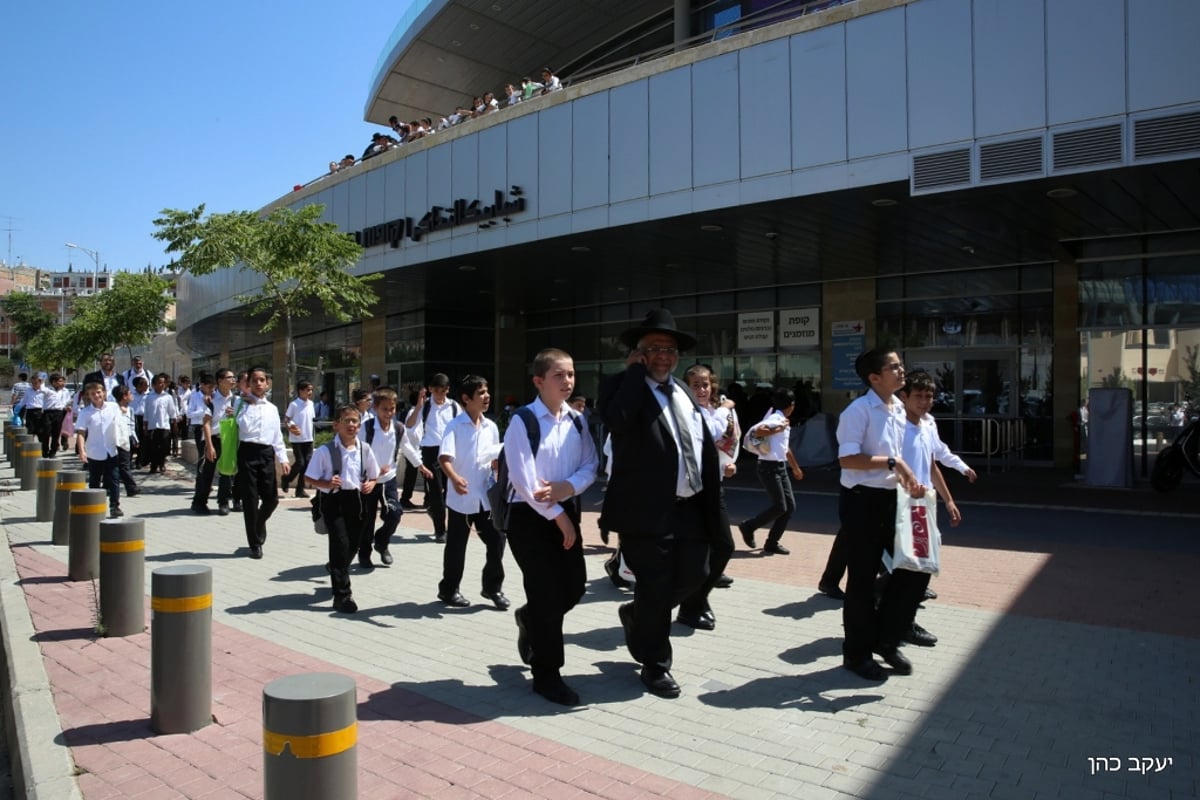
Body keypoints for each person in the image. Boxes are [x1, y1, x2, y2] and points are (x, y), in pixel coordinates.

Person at [599, 309, 721, 699]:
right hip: (645, 511)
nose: (663, 356)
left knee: (696, 574)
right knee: (655, 586)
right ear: (639, 353)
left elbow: (699, 447)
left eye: (669, 349)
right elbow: (617, 421)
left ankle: (637, 616)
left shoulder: (684, 392)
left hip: (689, 506)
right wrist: (634, 375)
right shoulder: (619, 386)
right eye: (653, 349)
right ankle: (655, 665)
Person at [505, 349, 598, 706]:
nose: (568, 381)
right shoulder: (523, 421)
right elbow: (523, 479)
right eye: (559, 375)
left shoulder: (576, 420)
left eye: (571, 374)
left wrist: (567, 489)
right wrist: (556, 512)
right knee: (545, 595)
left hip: (565, 511)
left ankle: (528, 619)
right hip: (530, 517)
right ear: (539, 381)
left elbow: (591, 464)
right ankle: (547, 675)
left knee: (573, 588)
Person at [835, 349, 925, 681]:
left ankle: (886, 637)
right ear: (874, 378)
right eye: (894, 367)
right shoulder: (858, 411)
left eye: (901, 364)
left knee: (915, 566)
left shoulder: (898, 407)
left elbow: (902, 456)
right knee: (861, 580)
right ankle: (856, 654)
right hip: (861, 502)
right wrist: (892, 463)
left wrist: (909, 479)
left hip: (892, 499)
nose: (902, 370)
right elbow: (847, 460)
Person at [675, 364, 739, 630]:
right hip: (692, 492)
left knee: (724, 546)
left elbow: (723, 443)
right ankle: (691, 604)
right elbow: (710, 432)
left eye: (705, 384)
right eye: (695, 385)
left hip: (714, 487)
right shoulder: (688, 411)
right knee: (698, 554)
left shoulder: (714, 410)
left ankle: (696, 600)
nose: (701, 390)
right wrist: (725, 409)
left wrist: (727, 462)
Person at [437, 375, 507, 609]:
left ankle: (492, 588)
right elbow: (445, 458)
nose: (487, 397)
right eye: (481, 393)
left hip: (486, 497)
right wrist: (455, 479)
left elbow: (493, 458)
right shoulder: (455, 426)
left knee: (497, 540)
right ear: (466, 399)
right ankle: (448, 590)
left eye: (487, 392)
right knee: (457, 546)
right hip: (462, 498)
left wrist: (499, 470)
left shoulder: (491, 426)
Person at [305, 404, 379, 614]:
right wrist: (327, 484)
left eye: (355, 421)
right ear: (336, 425)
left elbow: (374, 475)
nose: (351, 425)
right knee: (339, 543)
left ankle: (337, 567)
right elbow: (309, 477)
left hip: (357, 501)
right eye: (346, 421)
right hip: (334, 501)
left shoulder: (364, 449)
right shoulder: (325, 451)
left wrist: (371, 484)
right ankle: (342, 596)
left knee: (353, 544)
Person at [737, 388, 805, 555]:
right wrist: (777, 429)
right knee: (780, 506)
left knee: (789, 507)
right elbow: (758, 431)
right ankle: (749, 526)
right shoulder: (776, 419)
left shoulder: (782, 420)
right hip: (768, 468)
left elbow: (785, 448)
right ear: (792, 405)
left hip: (779, 467)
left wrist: (795, 467)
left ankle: (772, 543)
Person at [235, 367, 291, 559]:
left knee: (271, 499)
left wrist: (283, 459)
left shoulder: (272, 408)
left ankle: (258, 524)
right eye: (254, 380)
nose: (258, 384)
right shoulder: (241, 404)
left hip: (266, 454)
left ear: (267, 384)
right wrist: (250, 405)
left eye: (262, 380)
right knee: (250, 500)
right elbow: (244, 427)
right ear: (248, 384)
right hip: (247, 452)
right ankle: (255, 543)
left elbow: (277, 436)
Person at [359, 387, 412, 566]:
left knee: (395, 513)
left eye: (392, 409)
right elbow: (358, 452)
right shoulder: (366, 428)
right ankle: (364, 554)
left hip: (388, 479)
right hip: (368, 480)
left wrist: (422, 466)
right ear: (375, 408)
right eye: (385, 409)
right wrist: (371, 470)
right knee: (367, 519)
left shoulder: (398, 428)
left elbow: (408, 448)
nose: (389, 413)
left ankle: (382, 541)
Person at [405, 373, 461, 543]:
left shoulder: (453, 406)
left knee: (449, 491)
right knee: (436, 491)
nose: (440, 395)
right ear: (430, 390)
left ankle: (437, 514)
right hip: (430, 452)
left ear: (448, 390)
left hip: (449, 452)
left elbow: (461, 425)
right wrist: (419, 405)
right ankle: (440, 530)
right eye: (437, 391)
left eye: (443, 391)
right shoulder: (425, 406)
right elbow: (409, 424)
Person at [75, 382, 125, 518]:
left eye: (98, 392)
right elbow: (81, 433)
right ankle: (94, 506)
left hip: (111, 450)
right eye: (92, 394)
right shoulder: (86, 413)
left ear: (104, 393)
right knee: (94, 481)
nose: (96, 396)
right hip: (94, 452)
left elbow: (121, 424)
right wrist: (82, 450)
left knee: (114, 479)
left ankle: (114, 506)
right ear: (88, 396)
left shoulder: (113, 407)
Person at [281, 380, 316, 499]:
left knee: (306, 464)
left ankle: (300, 489)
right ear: (300, 391)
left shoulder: (311, 404)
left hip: (308, 438)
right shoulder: (294, 404)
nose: (310, 392)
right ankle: (287, 478)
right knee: (300, 462)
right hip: (297, 439)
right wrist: (291, 427)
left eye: (311, 389)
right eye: (307, 390)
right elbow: (286, 419)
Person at [111, 385, 141, 497]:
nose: (131, 395)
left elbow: (131, 426)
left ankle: (129, 488)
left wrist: (135, 438)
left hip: (127, 439)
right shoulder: (113, 409)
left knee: (124, 464)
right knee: (122, 465)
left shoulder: (131, 410)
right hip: (116, 439)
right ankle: (131, 487)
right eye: (129, 393)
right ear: (124, 396)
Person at [144, 373, 175, 474]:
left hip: (164, 425)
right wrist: (145, 426)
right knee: (153, 447)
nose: (162, 384)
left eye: (163, 383)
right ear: (154, 384)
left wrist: (174, 424)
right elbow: (147, 413)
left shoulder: (168, 397)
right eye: (159, 382)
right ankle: (154, 466)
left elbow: (172, 412)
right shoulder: (149, 397)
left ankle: (161, 463)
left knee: (164, 447)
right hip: (153, 426)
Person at [43, 374, 72, 457]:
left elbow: (68, 400)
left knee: (56, 433)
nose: (62, 383)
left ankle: (53, 451)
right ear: (53, 382)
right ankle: (45, 451)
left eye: (63, 381)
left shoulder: (65, 391)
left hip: (59, 412)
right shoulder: (47, 390)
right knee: (46, 432)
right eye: (60, 381)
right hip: (48, 413)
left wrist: (68, 406)